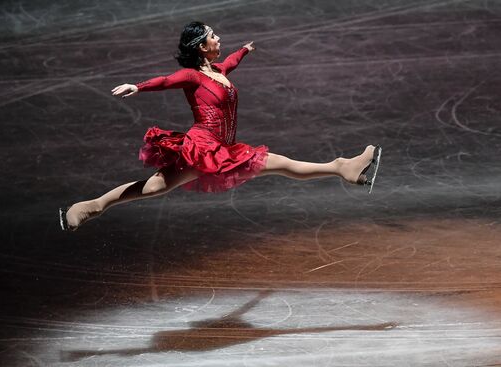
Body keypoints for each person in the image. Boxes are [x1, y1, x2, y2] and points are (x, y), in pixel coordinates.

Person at [59, 21, 381, 231]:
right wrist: (138, 86)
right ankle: (92, 206)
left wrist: (245, 50)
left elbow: (232, 62)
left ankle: (342, 168)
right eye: (214, 36)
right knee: (158, 186)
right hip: (203, 146)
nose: (219, 39)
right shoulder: (193, 76)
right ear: (201, 46)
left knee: (276, 165)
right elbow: (166, 80)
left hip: (225, 147)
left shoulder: (218, 70)